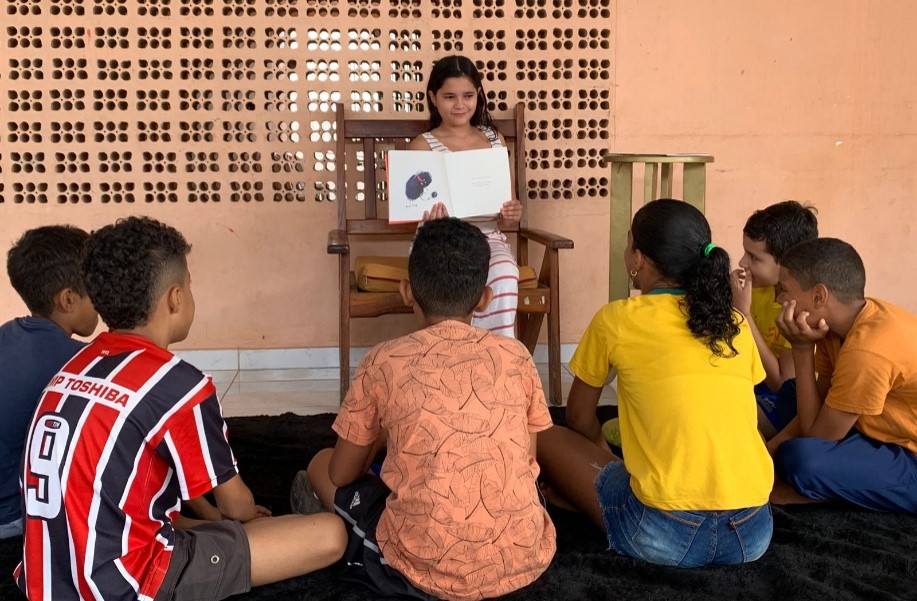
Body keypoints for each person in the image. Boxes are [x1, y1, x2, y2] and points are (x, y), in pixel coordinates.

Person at [16, 216, 345, 600]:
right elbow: (237, 506)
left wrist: (210, 521)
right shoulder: (178, 384)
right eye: (190, 285)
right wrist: (242, 519)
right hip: (125, 583)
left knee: (197, 522)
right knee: (329, 534)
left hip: (47, 579)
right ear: (175, 297)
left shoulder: (72, 367)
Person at [298, 217, 556, 600]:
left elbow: (342, 471)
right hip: (523, 556)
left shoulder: (384, 360)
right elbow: (524, 459)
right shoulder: (516, 356)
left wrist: (379, 439)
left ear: (406, 292)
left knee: (321, 463)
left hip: (421, 564)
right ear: (484, 297)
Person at [538, 199, 774, 568]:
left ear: (639, 259)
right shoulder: (735, 323)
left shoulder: (616, 319)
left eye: (629, 243)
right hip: (752, 532)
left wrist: (606, 461)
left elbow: (580, 417)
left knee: (544, 433)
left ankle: (590, 495)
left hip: (663, 534)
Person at [768, 238, 917, 513]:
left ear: (818, 296)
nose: (778, 300)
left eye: (784, 290)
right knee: (793, 393)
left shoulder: (868, 350)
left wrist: (801, 350)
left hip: (910, 457)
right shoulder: (838, 327)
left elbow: (817, 438)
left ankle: (839, 491)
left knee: (800, 459)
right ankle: (846, 478)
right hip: (870, 428)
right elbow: (819, 409)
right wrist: (769, 449)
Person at [406, 55, 524, 337]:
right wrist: (430, 221)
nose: (460, 104)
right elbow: (413, 209)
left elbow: (507, 204)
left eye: (468, 95)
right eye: (449, 96)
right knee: (445, 284)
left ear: (478, 95)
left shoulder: (494, 140)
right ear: (433, 98)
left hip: (486, 237)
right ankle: (451, 355)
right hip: (438, 242)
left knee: (506, 273)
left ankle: (496, 354)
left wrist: (511, 212)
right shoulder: (421, 146)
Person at [0, 226, 98, 540]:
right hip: (14, 515)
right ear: (68, 298)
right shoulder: (81, 362)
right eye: (96, 289)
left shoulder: (6, 333)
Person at [729, 200, 818, 438]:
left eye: (754, 258)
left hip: (787, 403)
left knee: (731, 413)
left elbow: (782, 383)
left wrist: (744, 314)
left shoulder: (804, 309)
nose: (741, 263)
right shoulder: (754, 289)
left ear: (788, 262)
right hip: (753, 384)